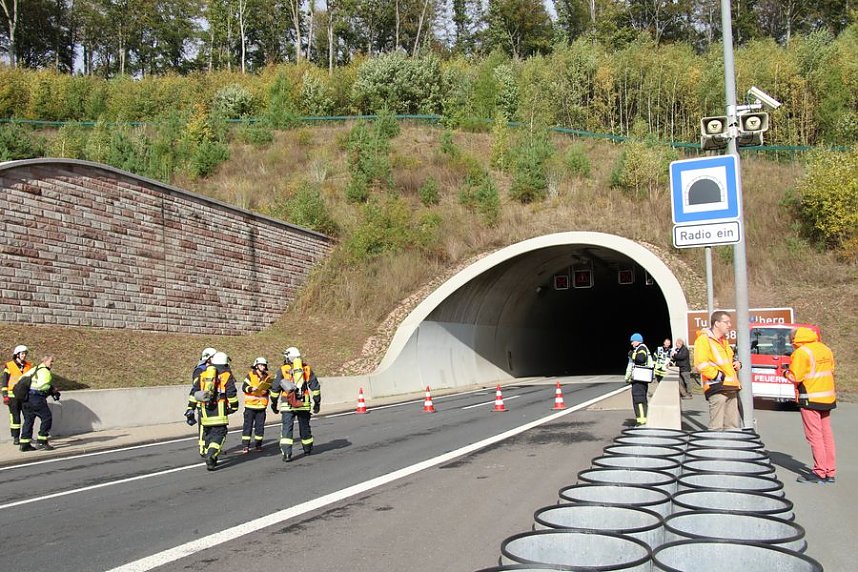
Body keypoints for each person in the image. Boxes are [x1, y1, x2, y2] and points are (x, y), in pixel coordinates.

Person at [784, 327, 837, 484]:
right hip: (827, 397)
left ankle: (819, 472)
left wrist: (785, 373)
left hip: (810, 397)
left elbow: (795, 376)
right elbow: (831, 369)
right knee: (827, 435)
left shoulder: (802, 352)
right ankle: (830, 471)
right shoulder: (824, 349)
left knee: (814, 435)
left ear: (795, 341)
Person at [185, 351, 238, 471]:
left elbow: (194, 392)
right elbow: (231, 393)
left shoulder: (203, 374)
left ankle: (212, 462)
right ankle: (211, 455)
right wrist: (234, 407)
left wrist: (190, 408)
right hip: (219, 412)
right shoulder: (226, 375)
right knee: (219, 435)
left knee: (208, 434)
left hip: (204, 411)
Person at [270, 347, 321, 462]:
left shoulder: (283, 370)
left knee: (287, 429)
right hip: (303, 403)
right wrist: (317, 403)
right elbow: (315, 388)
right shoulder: (306, 369)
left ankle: (287, 454)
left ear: (288, 357)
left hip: (287, 403)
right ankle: (307, 449)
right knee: (305, 427)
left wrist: (273, 404)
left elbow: (275, 389)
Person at [694, 310, 742, 430]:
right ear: (716, 323)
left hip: (730, 386)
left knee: (732, 427)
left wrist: (736, 364)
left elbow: (726, 361)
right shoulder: (704, 340)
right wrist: (719, 376)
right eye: (726, 322)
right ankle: (716, 448)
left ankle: (731, 448)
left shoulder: (724, 341)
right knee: (717, 427)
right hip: (717, 387)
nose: (729, 325)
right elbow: (700, 364)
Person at [19, 355, 60, 451]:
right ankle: (42, 440)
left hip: (26, 398)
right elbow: (42, 386)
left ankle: (24, 444)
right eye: (51, 361)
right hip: (36, 398)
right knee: (47, 417)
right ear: (45, 361)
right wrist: (52, 390)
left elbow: (22, 378)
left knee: (29, 420)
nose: (52, 364)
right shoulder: (45, 371)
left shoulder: (35, 369)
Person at [188, 347, 217, 456]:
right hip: (202, 403)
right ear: (208, 358)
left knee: (213, 428)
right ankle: (203, 448)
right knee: (203, 427)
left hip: (212, 403)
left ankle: (210, 447)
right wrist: (191, 407)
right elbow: (195, 389)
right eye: (213, 357)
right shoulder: (200, 370)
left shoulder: (214, 369)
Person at [240, 357, 273, 453]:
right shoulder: (250, 375)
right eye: (261, 365)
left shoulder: (267, 377)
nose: (263, 367)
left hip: (261, 406)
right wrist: (251, 389)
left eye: (264, 365)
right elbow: (244, 387)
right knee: (248, 426)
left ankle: (258, 444)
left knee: (260, 427)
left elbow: (269, 389)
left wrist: (266, 390)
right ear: (256, 366)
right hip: (250, 406)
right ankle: (245, 446)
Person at [3, 345, 33, 445]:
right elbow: (5, 382)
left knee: (28, 417)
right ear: (17, 354)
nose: (24, 355)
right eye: (22, 353)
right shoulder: (9, 365)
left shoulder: (29, 366)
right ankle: (16, 437)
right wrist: (5, 395)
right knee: (15, 418)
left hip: (25, 396)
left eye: (25, 354)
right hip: (13, 397)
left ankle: (26, 436)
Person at [624, 333, 653, 427]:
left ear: (637, 341)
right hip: (639, 379)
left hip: (640, 380)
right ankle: (641, 420)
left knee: (639, 400)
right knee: (640, 399)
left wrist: (631, 354)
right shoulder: (640, 348)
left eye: (633, 341)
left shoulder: (642, 348)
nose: (632, 343)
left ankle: (641, 422)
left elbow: (641, 359)